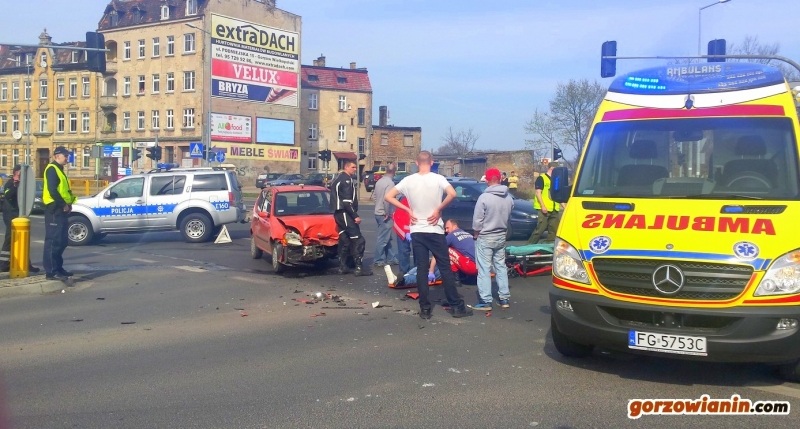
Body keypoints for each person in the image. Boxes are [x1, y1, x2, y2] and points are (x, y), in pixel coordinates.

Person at [385, 151, 472, 319]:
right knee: (445, 268)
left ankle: (425, 308)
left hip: (417, 229)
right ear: (431, 162)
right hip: (435, 229)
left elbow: (389, 196)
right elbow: (452, 194)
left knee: (422, 269)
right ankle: (456, 306)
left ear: (416, 163)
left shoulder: (408, 180)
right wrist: (439, 209)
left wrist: (407, 209)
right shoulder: (438, 178)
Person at [470, 168, 514, 310]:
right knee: (500, 267)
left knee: (484, 269)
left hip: (486, 236)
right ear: (500, 179)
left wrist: (476, 233)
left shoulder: (484, 197)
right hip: (501, 235)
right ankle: (504, 298)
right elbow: (509, 215)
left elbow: (477, 220)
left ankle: (486, 300)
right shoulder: (508, 197)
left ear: (487, 180)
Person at [330, 160, 372, 276]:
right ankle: (358, 268)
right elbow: (347, 202)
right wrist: (355, 216)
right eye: (353, 167)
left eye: (355, 167)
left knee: (344, 240)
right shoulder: (346, 180)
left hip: (338, 214)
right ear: (346, 167)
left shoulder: (338, 179)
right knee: (358, 239)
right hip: (345, 213)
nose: (355, 170)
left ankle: (343, 266)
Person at [42, 146, 78, 281]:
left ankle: (58, 268)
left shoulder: (59, 169)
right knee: (53, 241)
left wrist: (69, 204)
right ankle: (51, 271)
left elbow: (64, 190)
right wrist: (63, 204)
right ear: (57, 156)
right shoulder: (52, 169)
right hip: (54, 209)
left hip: (62, 209)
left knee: (62, 241)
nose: (68, 158)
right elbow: (52, 190)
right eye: (66, 156)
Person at [0, 165, 41, 273]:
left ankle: (26, 264)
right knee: (10, 238)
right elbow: (8, 195)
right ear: (15, 174)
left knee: (23, 238)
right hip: (10, 214)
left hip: (19, 213)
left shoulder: (23, 184)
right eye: (20, 174)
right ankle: (3, 264)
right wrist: (15, 184)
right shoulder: (10, 183)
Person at [528, 162, 566, 244]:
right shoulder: (541, 178)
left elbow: (559, 196)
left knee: (554, 230)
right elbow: (538, 193)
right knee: (540, 229)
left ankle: (550, 247)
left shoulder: (556, 180)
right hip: (544, 209)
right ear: (552, 168)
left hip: (554, 209)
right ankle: (529, 246)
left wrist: (565, 208)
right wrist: (543, 206)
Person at [372, 162, 398, 267]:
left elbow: (374, 196)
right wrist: (387, 212)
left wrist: (377, 205)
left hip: (378, 212)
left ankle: (391, 258)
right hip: (385, 213)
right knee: (383, 238)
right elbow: (387, 200)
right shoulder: (390, 184)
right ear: (394, 172)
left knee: (387, 237)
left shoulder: (380, 181)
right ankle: (378, 260)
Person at [392, 196, 413, 276]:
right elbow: (401, 216)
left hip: (415, 227)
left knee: (419, 251)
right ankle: (404, 272)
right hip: (403, 227)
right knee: (404, 250)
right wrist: (407, 232)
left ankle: (419, 270)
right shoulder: (405, 200)